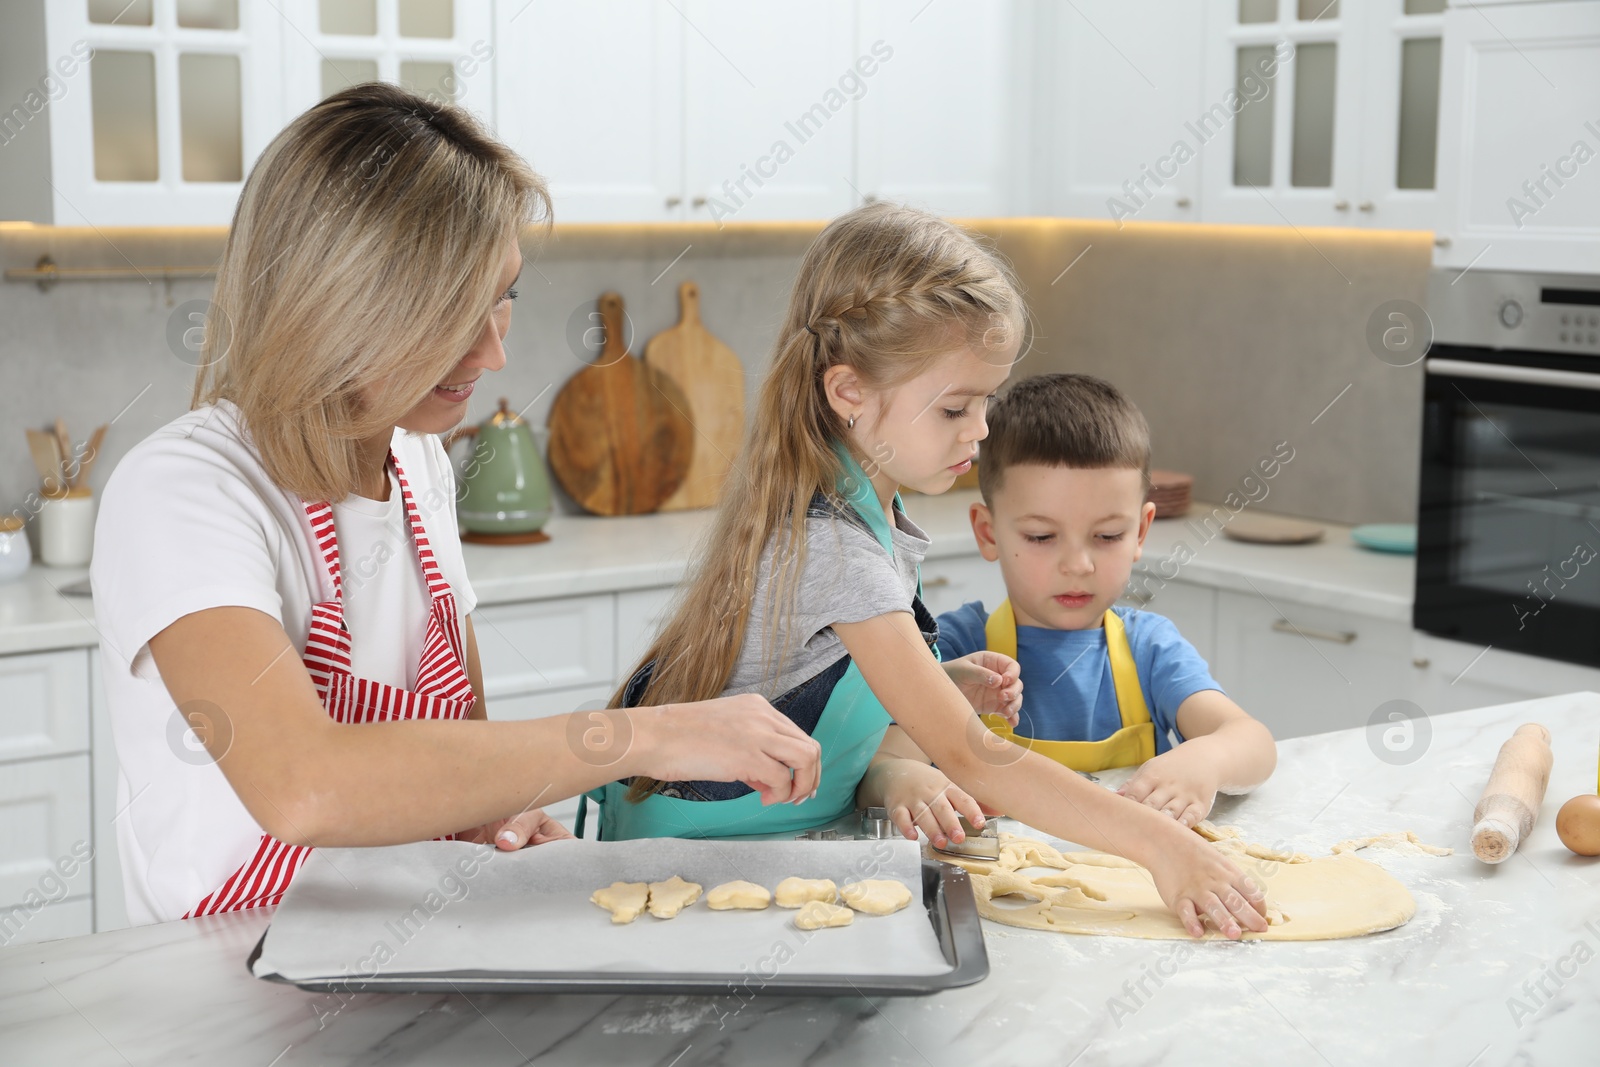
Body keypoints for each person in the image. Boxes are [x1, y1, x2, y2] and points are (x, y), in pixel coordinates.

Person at [90, 84, 820, 925]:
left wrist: (497, 819)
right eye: (452, 312)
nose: (496, 349)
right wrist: (649, 735)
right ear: (333, 304)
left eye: (504, 294)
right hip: (231, 997)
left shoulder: (420, 462)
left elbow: (459, 760)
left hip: (406, 958)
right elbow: (304, 784)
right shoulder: (185, 488)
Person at [585, 202, 1270, 939]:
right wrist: (1164, 849)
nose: (979, 429)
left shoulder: (864, 513)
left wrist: (931, 685)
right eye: (954, 409)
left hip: (766, 849)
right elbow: (973, 758)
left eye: (986, 402)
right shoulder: (837, 547)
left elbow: (801, 678)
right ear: (849, 392)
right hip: (696, 868)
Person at [935, 373, 1278, 828]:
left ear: (1140, 531)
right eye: (1041, 536)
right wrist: (900, 775)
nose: (1078, 564)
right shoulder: (956, 646)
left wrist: (1207, 760)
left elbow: (1253, 742)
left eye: (1107, 536)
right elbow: (888, 751)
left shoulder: (1148, 650)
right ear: (987, 531)